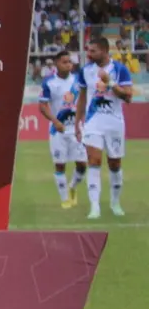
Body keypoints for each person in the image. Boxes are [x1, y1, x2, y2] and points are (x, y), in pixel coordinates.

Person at [75, 37, 134, 219]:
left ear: (104, 51)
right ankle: (95, 207)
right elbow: (82, 98)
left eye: (93, 51)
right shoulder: (85, 71)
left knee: (114, 164)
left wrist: (109, 83)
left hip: (114, 123)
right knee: (94, 161)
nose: (89, 54)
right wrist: (78, 123)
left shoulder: (120, 69)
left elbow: (128, 97)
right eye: (88, 51)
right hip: (93, 122)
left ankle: (115, 203)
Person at [38, 50, 87, 208]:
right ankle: (65, 198)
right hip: (57, 130)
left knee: (82, 165)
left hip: (76, 128)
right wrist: (55, 121)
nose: (68, 65)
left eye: (70, 62)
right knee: (60, 165)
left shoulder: (78, 81)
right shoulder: (49, 82)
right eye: (65, 62)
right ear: (57, 64)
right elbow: (43, 106)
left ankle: (72, 186)